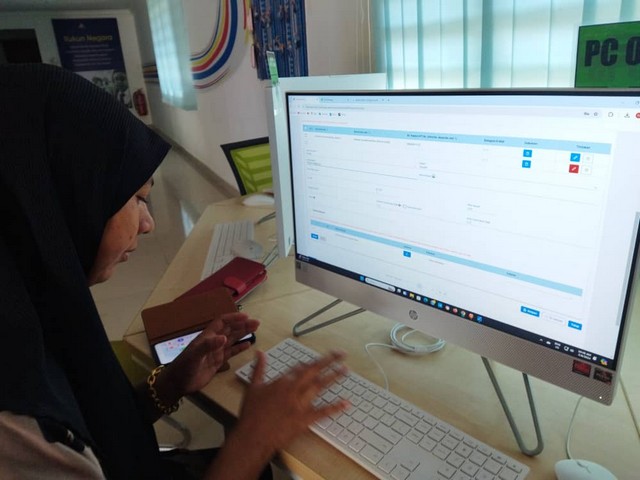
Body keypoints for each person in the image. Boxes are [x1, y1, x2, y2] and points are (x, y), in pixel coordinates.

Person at [0, 63, 349, 479]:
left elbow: (95, 423)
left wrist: (168, 384)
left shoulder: (29, 309)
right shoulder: (20, 429)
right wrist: (256, 436)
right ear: (69, 196)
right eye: (136, 198)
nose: (148, 223)